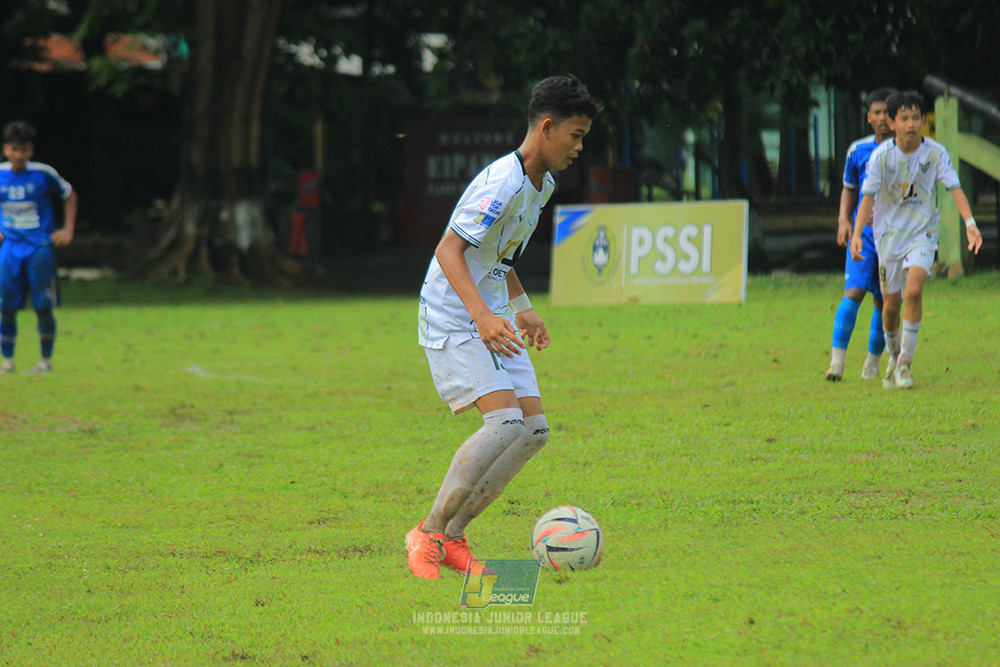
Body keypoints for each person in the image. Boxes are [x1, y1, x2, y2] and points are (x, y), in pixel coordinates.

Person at [407, 76, 601, 579]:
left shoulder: (544, 184)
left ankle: (452, 538)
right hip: (455, 315)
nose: (580, 147)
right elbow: (448, 250)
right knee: (505, 422)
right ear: (547, 127)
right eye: (576, 135)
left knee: (533, 431)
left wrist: (523, 306)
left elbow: (499, 252)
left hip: (490, 313)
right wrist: (484, 316)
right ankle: (427, 533)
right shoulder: (503, 183)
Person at [850, 90, 982, 389]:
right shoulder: (881, 157)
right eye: (904, 118)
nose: (911, 124)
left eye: (916, 118)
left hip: (922, 234)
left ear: (923, 120)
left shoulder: (935, 153)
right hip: (888, 238)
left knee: (913, 291)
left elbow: (955, 187)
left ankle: (906, 364)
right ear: (893, 123)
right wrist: (857, 235)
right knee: (891, 304)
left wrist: (970, 223)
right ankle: (893, 358)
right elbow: (867, 198)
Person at [826, 88, 897, 382]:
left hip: (894, 234)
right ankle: (836, 363)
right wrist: (844, 219)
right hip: (863, 233)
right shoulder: (857, 150)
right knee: (853, 291)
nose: (882, 118)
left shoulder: (906, 151)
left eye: (887, 113)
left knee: (883, 302)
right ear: (869, 117)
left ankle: (872, 363)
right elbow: (849, 188)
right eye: (877, 112)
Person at [0, 120, 77, 374]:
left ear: (31, 150)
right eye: (14, 149)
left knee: (43, 305)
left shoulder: (43, 173)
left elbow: (69, 194)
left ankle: (45, 361)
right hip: (10, 249)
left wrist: (67, 229)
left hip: (38, 247)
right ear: (5, 149)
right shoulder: (1, 174)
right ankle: (8, 362)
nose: (19, 155)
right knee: (6, 306)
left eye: (24, 149)